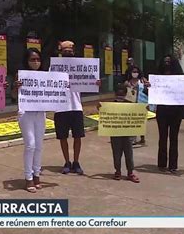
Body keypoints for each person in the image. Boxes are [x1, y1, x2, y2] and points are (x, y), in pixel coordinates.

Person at [55, 41, 100, 175]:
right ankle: (67, 162)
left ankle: (76, 162)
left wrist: (96, 83)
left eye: (70, 51)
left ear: (74, 53)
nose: (68, 53)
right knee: (63, 137)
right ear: (61, 53)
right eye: (65, 51)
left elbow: (90, 81)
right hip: (60, 108)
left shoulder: (80, 67)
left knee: (77, 137)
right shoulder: (54, 67)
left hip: (76, 107)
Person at [154, 54, 184, 173]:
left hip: (176, 112)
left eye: (169, 61)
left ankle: (173, 165)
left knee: (174, 138)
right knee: (162, 137)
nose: (166, 63)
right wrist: (148, 87)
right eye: (165, 61)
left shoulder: (181, 78)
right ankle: (162, 164)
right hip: (162, 111)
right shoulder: (158, 77)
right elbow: (149, 93)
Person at [12, 48, 46, 193]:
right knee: (30, 145)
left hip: (40, 114)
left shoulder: (45, 76)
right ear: (26, 61)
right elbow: (14, 96)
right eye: (32, 59)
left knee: (39, 145)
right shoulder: (21, 76)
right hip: (26, 114)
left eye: (38, 59)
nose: (36, 62)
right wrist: (15, 87)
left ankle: (37, 174)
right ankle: (28, 178)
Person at [97, 84, 140, 183]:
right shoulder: (110, 105)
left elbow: (138, 113)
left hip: (127, 133)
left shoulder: (130, 104)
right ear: (115, 93)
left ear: (125, 94)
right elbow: (103, 112)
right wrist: (100, 107)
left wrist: (144, 109)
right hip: (115, 133)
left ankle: (130, 172)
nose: (120, 95)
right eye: (118, 92)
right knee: (116, 154)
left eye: (122, 93)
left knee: (129, 154)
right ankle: (118, 171)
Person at [124, 66, 147, 145]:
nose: (135, 73)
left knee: (141, 122)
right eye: (133, 71)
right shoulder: (127, 82)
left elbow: (147, 90)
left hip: (141, 103)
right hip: (131, 104)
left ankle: (142, 138)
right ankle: (133, 139)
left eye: (136, 71)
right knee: (132, 122)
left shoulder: (142, 81)